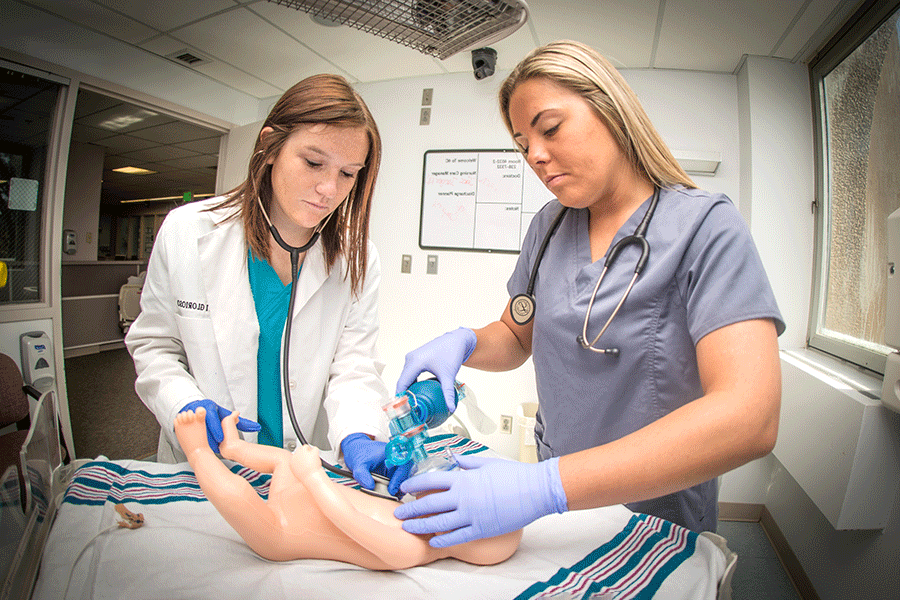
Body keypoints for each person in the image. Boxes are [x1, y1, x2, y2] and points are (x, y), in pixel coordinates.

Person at [393, 40, 784, 546]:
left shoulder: (706, 229)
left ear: (612, 111)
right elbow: (516, 335)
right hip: (556, 513)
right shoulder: (549, 228)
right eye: (522, 144)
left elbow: (750, 417)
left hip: (653, 513)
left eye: (550, 129)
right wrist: (466, 341)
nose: (534, 155)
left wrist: (543, 487)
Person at [126, 74, 405, 494]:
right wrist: (183, 403)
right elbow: (154, 346)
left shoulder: (357, 257)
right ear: (270, 146)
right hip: (205, 466)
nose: (329, 189)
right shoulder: (189, 231)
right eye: (313, 162)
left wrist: (359, 433)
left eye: (348, 173)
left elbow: (354, 365)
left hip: (298, 471)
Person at [173, 407, 522, 569]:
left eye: (455, 486)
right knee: (282, 460)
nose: (446, 475)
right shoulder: (411, 512)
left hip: (283, 530)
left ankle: (199, 451)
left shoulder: (412, 548)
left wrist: (313, 477)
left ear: (458, 532)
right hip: (300, 490)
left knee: (238, 495)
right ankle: (232, 448)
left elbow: (347, 519)